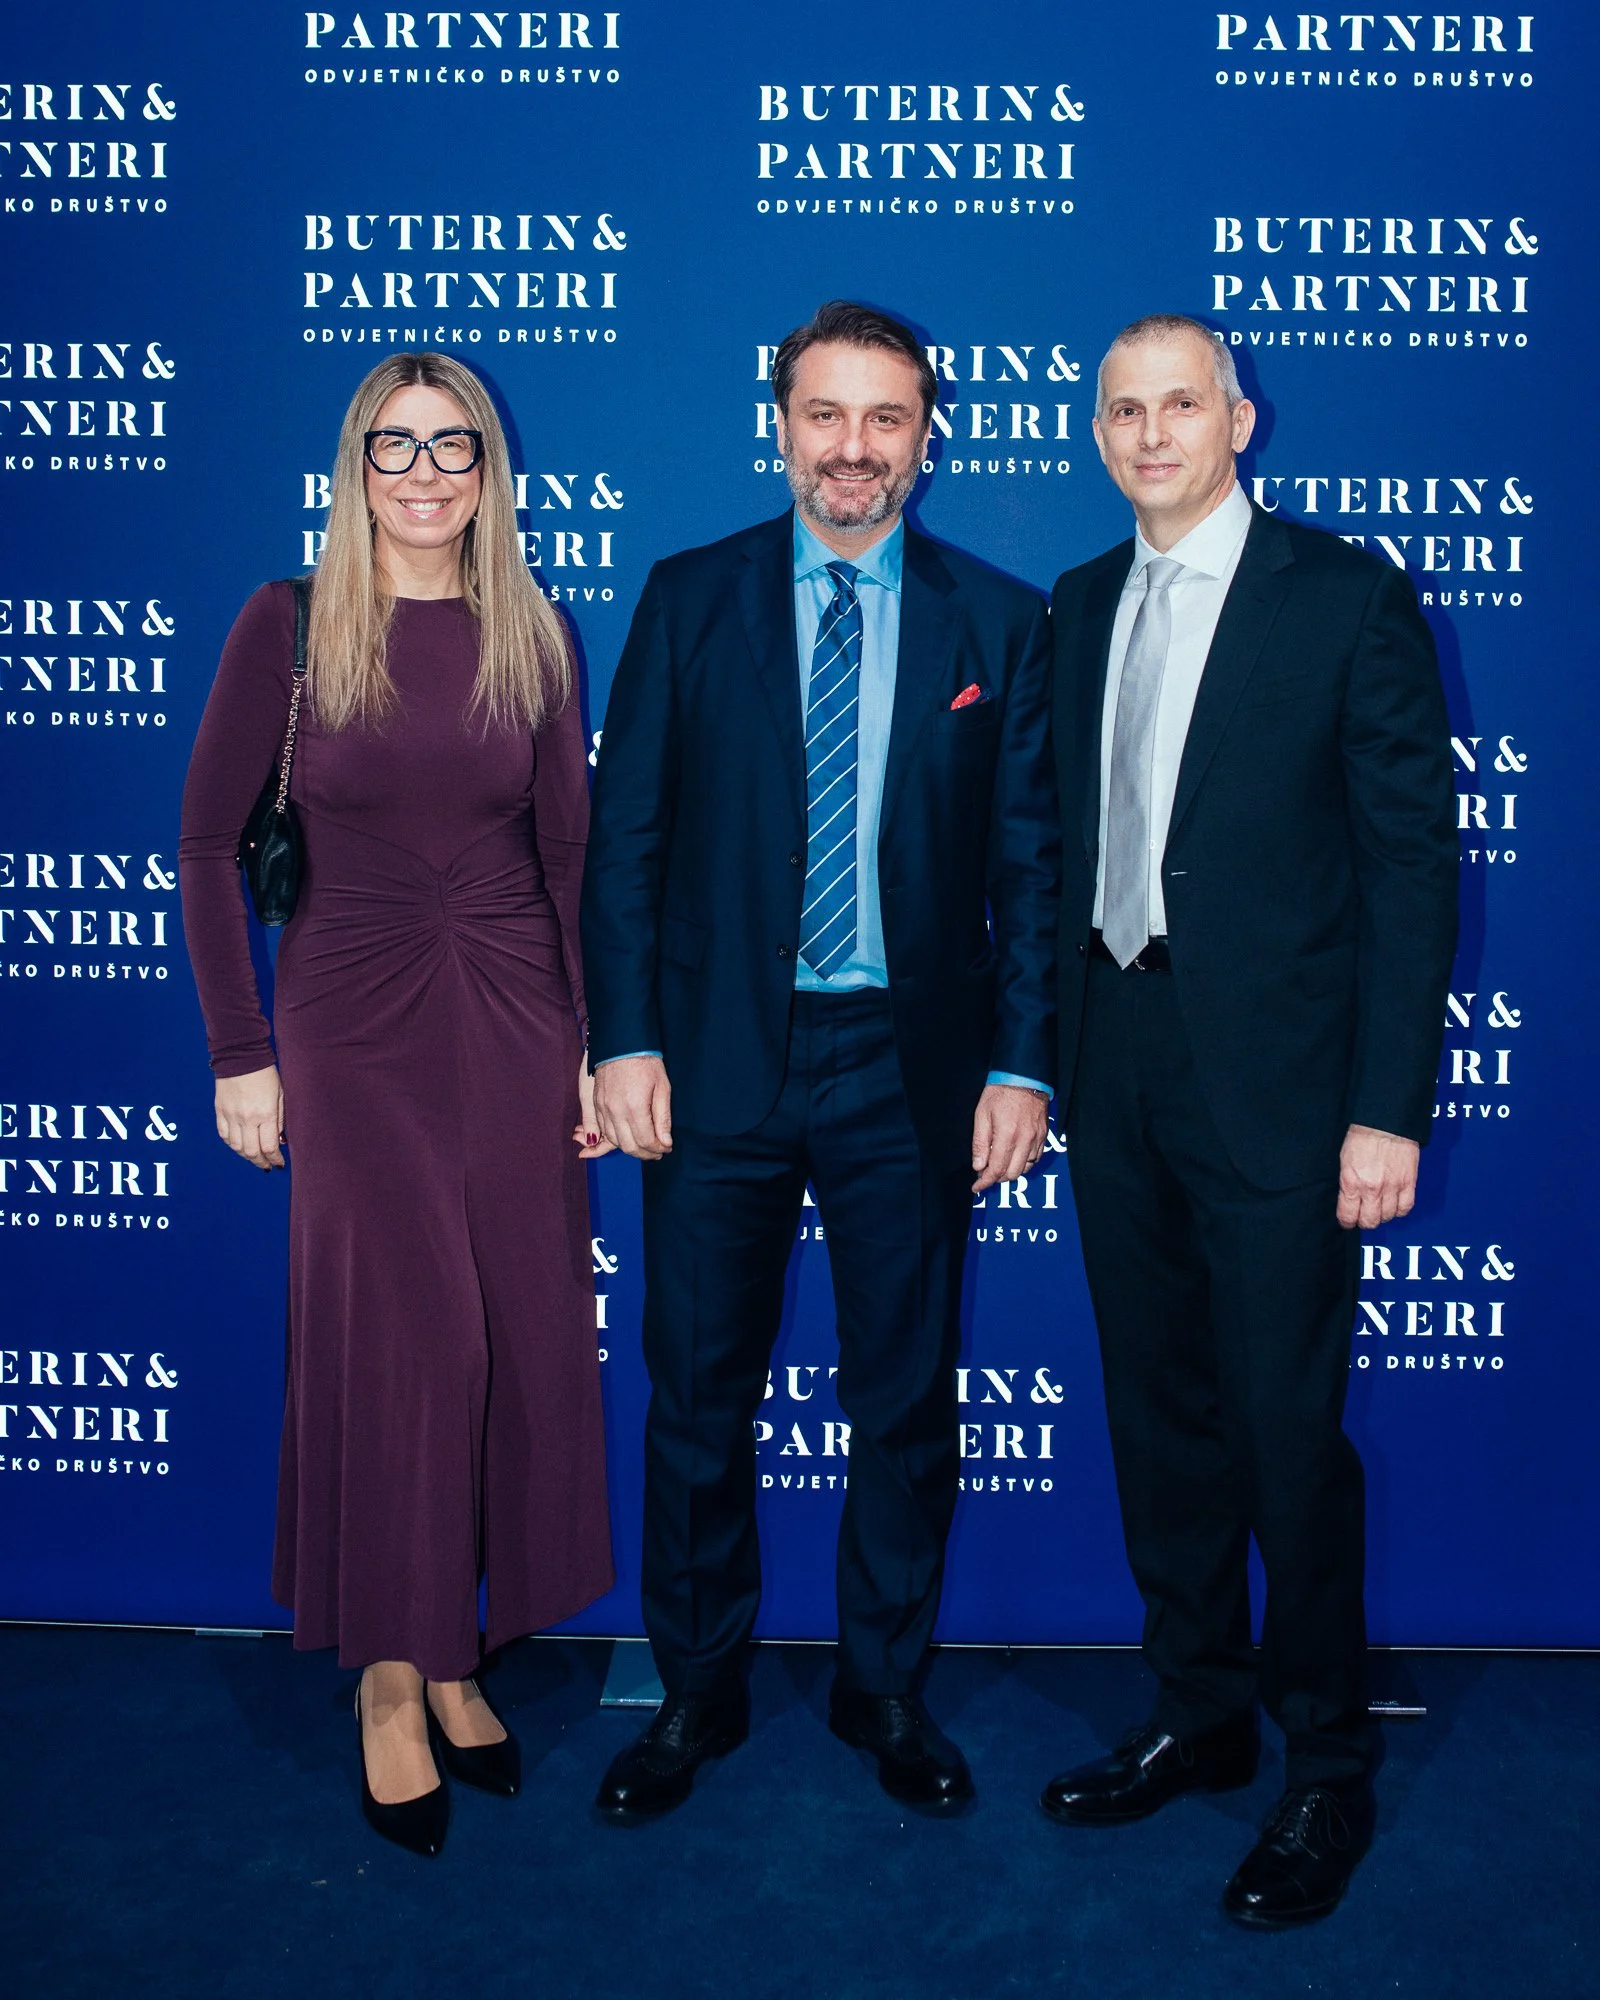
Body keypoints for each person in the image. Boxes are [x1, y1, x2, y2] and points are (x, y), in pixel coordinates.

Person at [580, 300, 1058, 1819]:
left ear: (928, 436)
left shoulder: (1000, 619)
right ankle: (696, 1692)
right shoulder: (686, 596)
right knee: (698, 1394)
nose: (852, 450)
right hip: (717, 1055)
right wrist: (627, 1037)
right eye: (825, 416)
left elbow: (1032, 871)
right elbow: (626, 847)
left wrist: (1023, 1066)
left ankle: (883, 1687)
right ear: (780, 424)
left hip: (907, 1067)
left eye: (885, 420)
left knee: (906, 1394)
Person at [1042, 315, 1458, 1926]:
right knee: (1159, 1420)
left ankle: (1325, 1767)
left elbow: (1411, 867)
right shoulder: (1080, 608)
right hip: (1117, 1061)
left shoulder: (1342, 597)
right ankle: (1200, 1714)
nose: (1152, 434)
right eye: (1123, 408)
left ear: (1242, 419)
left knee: (1288, 1434)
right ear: (1098, 432)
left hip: (1286, 1092)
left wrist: (1383, 1110)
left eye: (1180, 406)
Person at [179, 352, 613, 1857]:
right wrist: (242, 1051)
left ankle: (449, 1646)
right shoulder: (289, 627)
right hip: (350, 1026)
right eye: (394, 446)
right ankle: (384, 1669)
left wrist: (586, 1045)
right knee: (401, 1335)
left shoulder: (534, 633)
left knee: (507, 1329)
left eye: (455, 448)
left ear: (491, 473)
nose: (425, 474)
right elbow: (205, 847)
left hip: (510, 1012)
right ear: (353, 465)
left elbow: (568, 857)